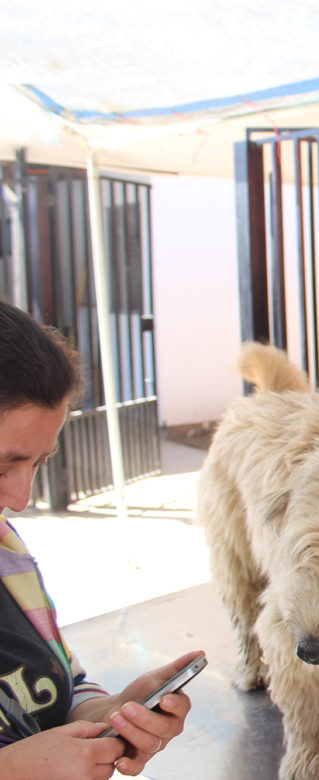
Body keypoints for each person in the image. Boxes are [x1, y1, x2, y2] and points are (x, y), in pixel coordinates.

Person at [0, 299, 200, 779]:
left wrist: (113, 713)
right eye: (4, 464)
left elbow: (59, 689)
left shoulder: (9, 554)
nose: (21, 498)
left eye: (39, 463)